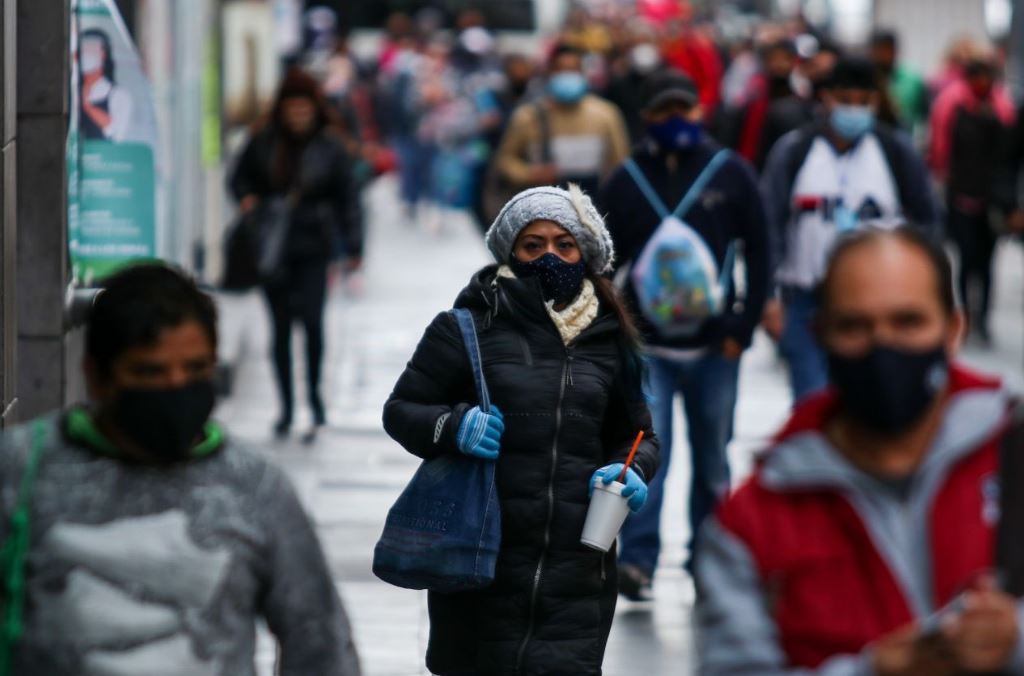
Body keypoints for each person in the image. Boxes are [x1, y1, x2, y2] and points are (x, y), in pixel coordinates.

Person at [0, 263, 360, 675]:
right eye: (150, 371)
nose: (175, 387)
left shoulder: (255, 488)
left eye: (195, 370)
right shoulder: (19, 470)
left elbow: (319, 644)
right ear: (96, 376)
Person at [695, 227, 1023, 675]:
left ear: (953, 330)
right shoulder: (753, 523)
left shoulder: (1013, 454)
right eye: (855, 327)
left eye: (907, 322)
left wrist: (1014, 639)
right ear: (821, 336)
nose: (882, 347)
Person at [382, 185, 660, 675]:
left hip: (577, 572)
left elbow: (640, 435)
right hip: (481, 563)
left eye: (564, 244)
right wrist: (453, 427)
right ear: (511, 250)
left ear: (585, 254)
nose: (549, 255)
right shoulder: (466, 325)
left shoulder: (610, 338)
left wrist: (631, 467)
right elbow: (402, 409)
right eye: (533, 245)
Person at [598, 70, 771, 599]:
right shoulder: (625, 180)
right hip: (649, 347)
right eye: (663, 111)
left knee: (714, 455)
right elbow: (603, 264)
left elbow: (762, 250)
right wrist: (612, 333)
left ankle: (709, 558)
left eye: (685, 109)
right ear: (646, 117)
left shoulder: (730, 174)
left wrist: (744, 325)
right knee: (650, 454)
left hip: (716, 345)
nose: (676, 121)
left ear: (701, 112)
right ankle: (639, 561)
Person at [760, 56, 938, 402]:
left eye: (863, 102)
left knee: (871, 403)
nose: (854, 111)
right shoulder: (796, 152)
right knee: (812, 403)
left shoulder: (894, 152)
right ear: (826, 99)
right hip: (808, 299)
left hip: (879, 302)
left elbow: (928, 220)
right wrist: (769, 298)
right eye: (845, 101)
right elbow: (771, 225)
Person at [229, 68, 362, 439]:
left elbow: (349, 198)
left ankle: (315, 400)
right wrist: (248, 200)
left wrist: (354, 246)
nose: (298, 116)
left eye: (304, 109)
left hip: (314, 245)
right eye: (292, 109)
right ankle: (286, 406)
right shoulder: (264, 141)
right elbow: (237, 178)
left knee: (314, 324)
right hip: (273, 247)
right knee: (281, 327)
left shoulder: (330, 145)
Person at [929, 52, 1016, 344]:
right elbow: (940, 149)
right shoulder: (952, 105)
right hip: (961, 197)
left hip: (991, 200)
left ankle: (984, 320)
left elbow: (1009, 160)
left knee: (987, 262)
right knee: (965, 260)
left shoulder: (1003, 109)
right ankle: (964, 315)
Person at [492, 44, 630, 198]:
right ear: (550, 73)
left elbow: (620, 163)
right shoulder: (528, 116)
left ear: (582, 73)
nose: (567, 75)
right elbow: (504, 161)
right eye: (561, 70)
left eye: (573, 70)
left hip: (594, 204)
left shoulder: (606, 114)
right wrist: (530, 174)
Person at [870, 29, 930, 142]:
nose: (883, 54)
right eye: (879, 49)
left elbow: (923, 116)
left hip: (904, 140)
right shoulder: (866, 79)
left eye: (888, 49)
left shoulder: (912, 80)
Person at [78, 28, 133, 142]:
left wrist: (87, 106)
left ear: (103, 54)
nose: (85, 53)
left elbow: (117, 134)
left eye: (90, 49)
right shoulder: (72, 92)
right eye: (82, 49)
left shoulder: (119, 95)